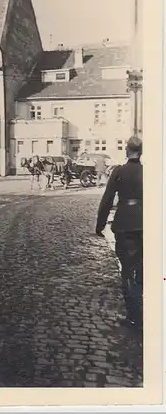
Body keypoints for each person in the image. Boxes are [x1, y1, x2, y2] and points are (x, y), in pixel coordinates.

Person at [95, 136, 143, 331]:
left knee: (127, 271)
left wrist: (100, 225)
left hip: (125, 225)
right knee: (143, 270)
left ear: (126, 151)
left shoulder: (119, 171)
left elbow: (107, 200)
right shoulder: (148, 171)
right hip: (146, 224)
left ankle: (134, 316)